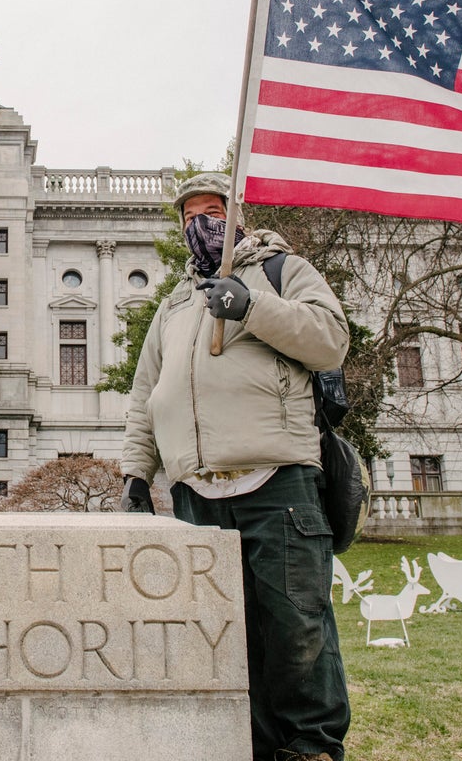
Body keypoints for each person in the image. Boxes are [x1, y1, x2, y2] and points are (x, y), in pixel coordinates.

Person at [120, 172, 350, 761]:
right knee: (224, 632)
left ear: (237, 216)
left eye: (214, 211)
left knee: (297, 624)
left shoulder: (282, 269)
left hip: (277, 478)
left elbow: (329, 339)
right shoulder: (174, 303)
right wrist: (135, 473)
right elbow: (148, 393)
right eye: (192, 215)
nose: (202, 223)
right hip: (197, 491)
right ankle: (249, 744)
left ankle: (311, 743)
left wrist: (252, 305)